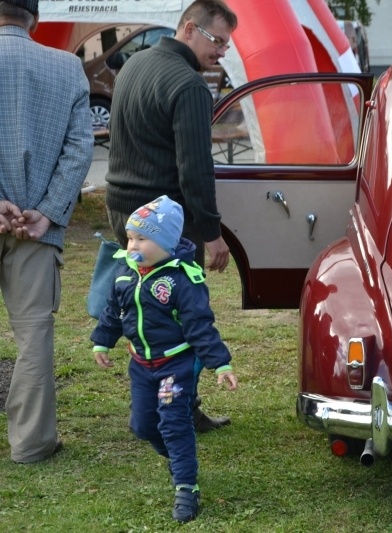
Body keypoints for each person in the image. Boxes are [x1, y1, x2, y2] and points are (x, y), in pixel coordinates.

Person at [104, 0, 237, 432]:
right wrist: (211, 234)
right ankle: (179, 410)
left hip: (123, 210)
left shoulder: (133, 66)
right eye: (217, 41)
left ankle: (148, 405)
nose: (222, 52)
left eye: (227, 45)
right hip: (165, 223)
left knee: (141, 309)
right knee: (180, 315)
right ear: (188, 29)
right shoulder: (189, 85)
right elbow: (195, 170)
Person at [90, 195, 238, 523]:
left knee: (173, 423)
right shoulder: (125, 274)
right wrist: (102, 341)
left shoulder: (182, 279)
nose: (132, 245)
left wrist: (220, 363)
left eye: (143, 238)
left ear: (166, 242)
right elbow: (114, 312)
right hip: (141, 365)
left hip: (175, 365)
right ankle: (174, 458)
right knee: (142, 426)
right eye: (130, 237)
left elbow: (200, 325)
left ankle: (187, 487)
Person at [0, 0, 94, 463]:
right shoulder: (67, 66)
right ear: (34, 16)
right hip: (37, 228)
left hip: (25, 218)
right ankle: (32, 444)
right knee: (33, 334)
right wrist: (47, 212)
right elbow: (80, 150)